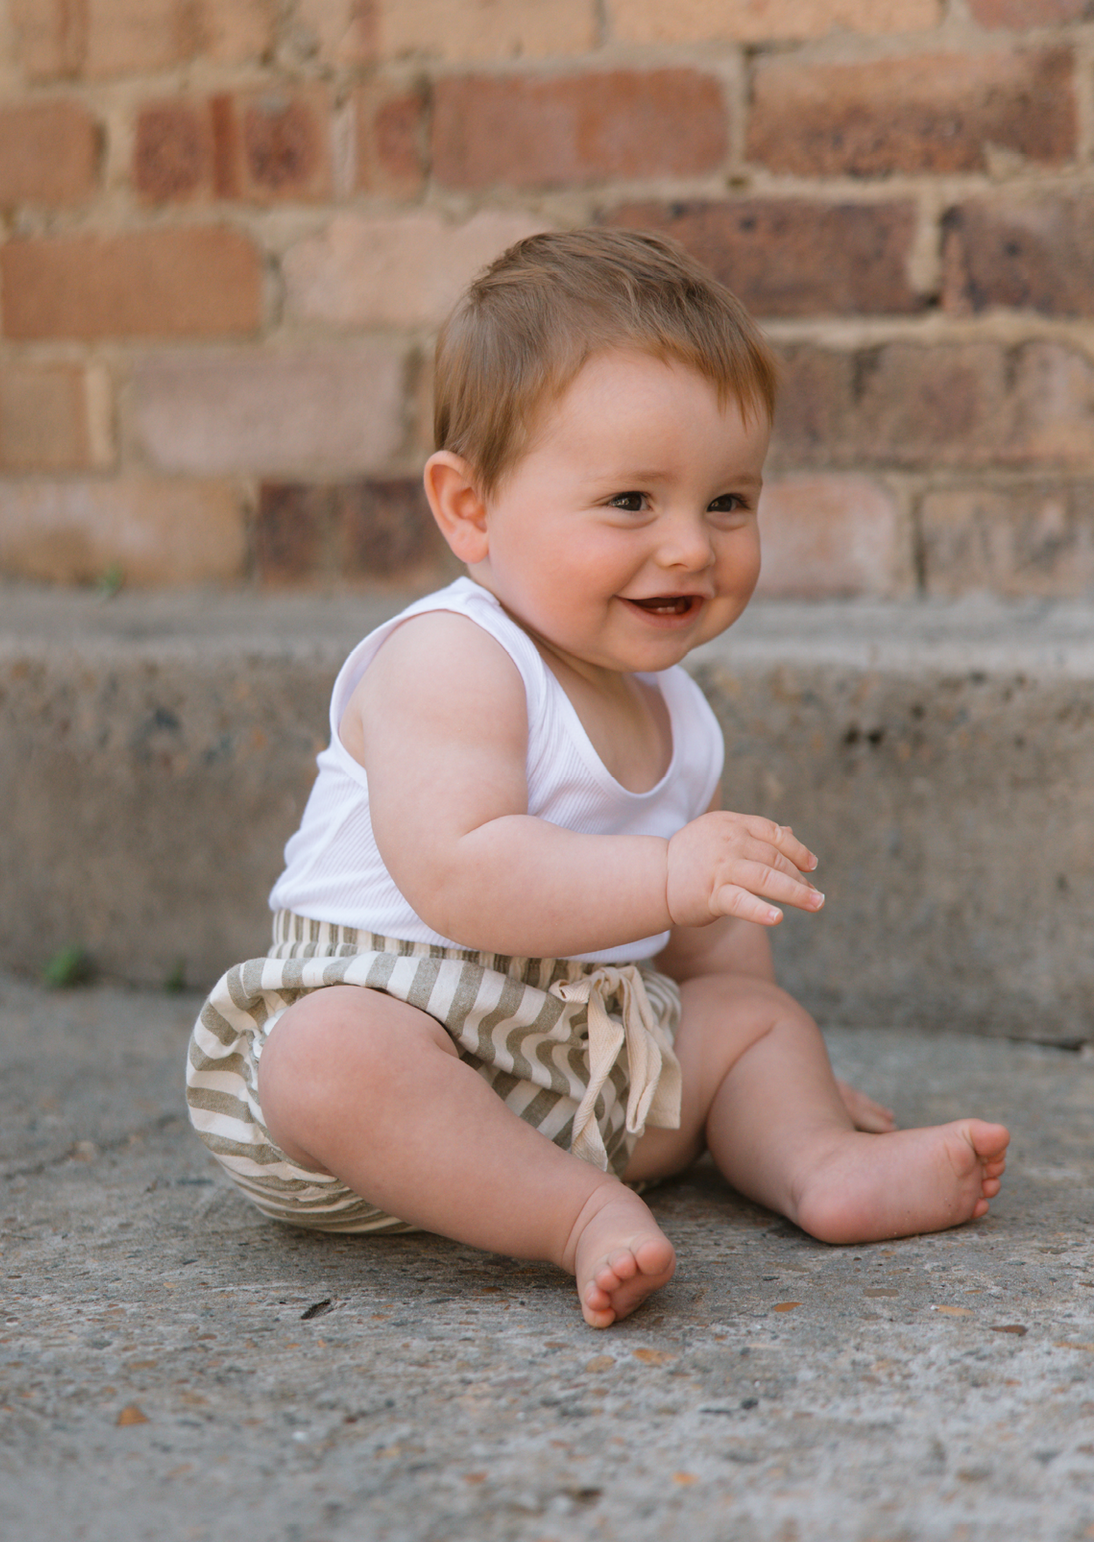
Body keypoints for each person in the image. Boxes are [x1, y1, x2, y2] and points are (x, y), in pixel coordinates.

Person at [186, 229, 1009, 1329]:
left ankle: (812, 1164)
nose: (688, 547)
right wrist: (669, 871)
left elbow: (707, 948)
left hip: (575, 1070)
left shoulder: (676, 712)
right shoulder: (450, 658)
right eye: (630, 501)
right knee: (325, 1056)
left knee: (754, 1021)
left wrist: (762, 1082)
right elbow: (461, 873)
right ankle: (575, 1216)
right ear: (469, 508)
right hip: (398, 1060)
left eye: (726, 502)